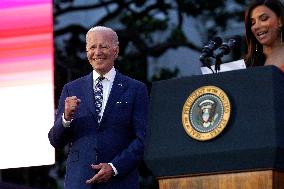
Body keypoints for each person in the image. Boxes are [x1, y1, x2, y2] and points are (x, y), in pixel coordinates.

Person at [48, 26, 149, 189]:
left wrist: (114, 167)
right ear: (86, 51)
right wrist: (66, 118)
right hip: (79, 182)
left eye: (103, 46)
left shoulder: (136, 89)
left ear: (115, 51)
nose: (97, 52)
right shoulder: (71, 89)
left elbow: (143, 138)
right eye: (92, 47)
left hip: (119, 182)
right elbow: (56, 140)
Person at [244, 0, 284, 71]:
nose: (256, 26)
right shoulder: (246, 64)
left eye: (263, 19)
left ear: (280, 21)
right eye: (252, 23)